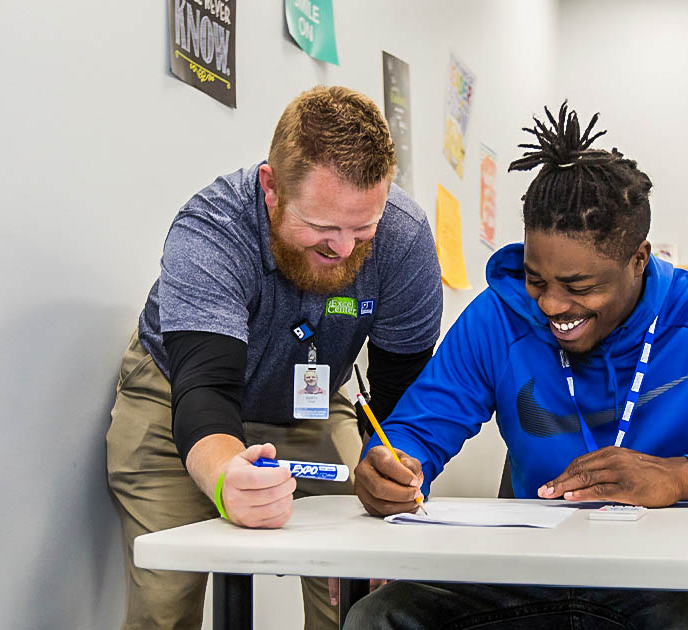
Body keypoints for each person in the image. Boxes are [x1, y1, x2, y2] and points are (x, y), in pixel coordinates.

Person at [347, 103, 688, 630]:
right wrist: (389, 464)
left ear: (639, 258)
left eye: (579, 286)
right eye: (538, 280)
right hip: (530, 571)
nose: (551, 306)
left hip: (683, 577)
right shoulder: (498, 316)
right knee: (381, 617)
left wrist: (684, 477)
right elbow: (415, 432)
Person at [106, 85, 443, 630]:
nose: (344, 248)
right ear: (271, 188)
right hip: (179, 399)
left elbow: (401, 395)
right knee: (164, 603)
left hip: (309, 405)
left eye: (363, 229)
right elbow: (207, 389)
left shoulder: (404, 240)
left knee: (356, 595)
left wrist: (392, 475)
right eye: (323, 227)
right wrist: (223, 479)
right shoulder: (212, 229)